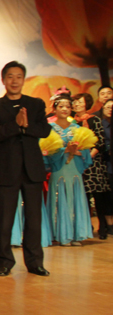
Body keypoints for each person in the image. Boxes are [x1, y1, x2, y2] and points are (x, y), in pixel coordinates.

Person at [0, 61, 51, 277]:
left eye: (19, 76)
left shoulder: (36, 104)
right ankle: (4, 262)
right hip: (7, 170)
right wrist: (16, 124)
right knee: (5, 221)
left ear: (24, 79)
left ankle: (35, 263)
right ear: (3, 80)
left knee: (34, 220)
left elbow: (44, 130)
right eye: (10, 77)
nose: (14, 81)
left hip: (32, 170)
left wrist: (26, 125)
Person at [46, 94, 94, 246]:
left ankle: (76, 234)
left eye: (68, 106)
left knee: (74, 197)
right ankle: (60, 234)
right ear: (54, 109)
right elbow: (46, 151)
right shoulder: (50, 129)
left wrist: (78, 151)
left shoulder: (77, 128)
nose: (65, 109)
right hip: (59, 167)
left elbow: (86, 150)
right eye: (61, 106)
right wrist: (65, 150)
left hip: (74, 167)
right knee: (59, 196)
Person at [71, 93, 111, 239]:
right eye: (75, 102)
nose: (76, 105)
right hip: (77, 163)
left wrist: (89, 156)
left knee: (98, 197)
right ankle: (87, 227)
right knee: (83, 197)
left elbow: (100, 141)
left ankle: (102, 227)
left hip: (94, 164)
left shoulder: (94, 119)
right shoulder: (71, 122)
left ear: (86, 104)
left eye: (80, 102)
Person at [100, 99, 113, 236]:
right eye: (108, 107)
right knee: (108, 196)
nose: (110, 109)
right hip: (107, 164)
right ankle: (109, 225)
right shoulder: (101, 124)